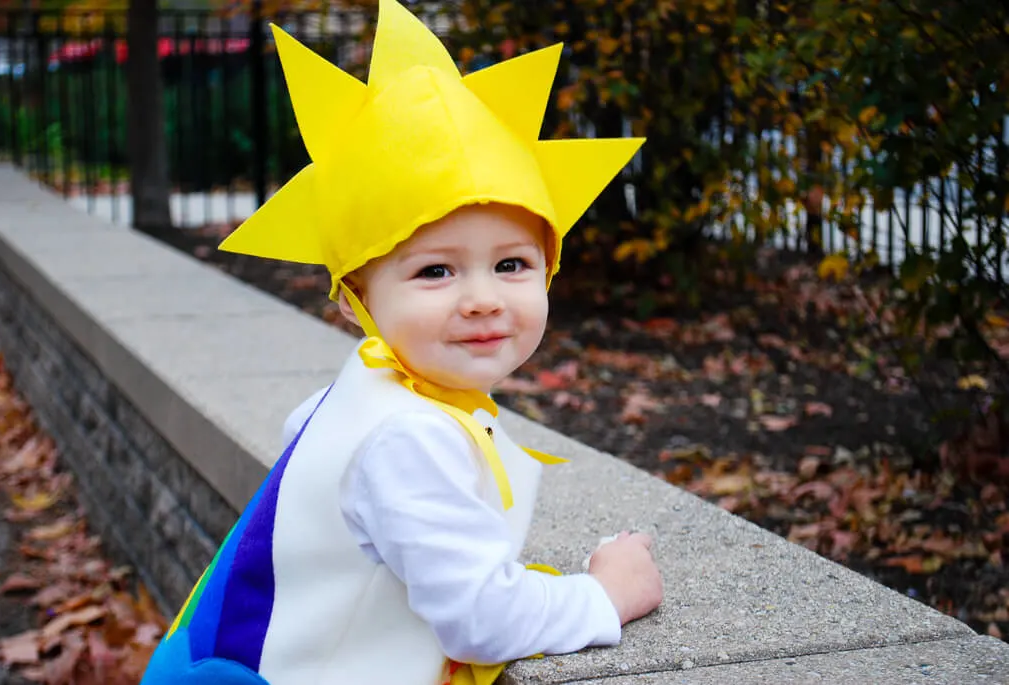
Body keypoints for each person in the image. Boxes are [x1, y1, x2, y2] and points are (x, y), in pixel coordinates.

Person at [140, 1, 662, 684]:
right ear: (356, 297)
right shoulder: (408, 438)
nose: (481, 296)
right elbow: (480, 620)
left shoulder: (366, 388)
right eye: (434, 270)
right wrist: (603, 594)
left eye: (511, 264)